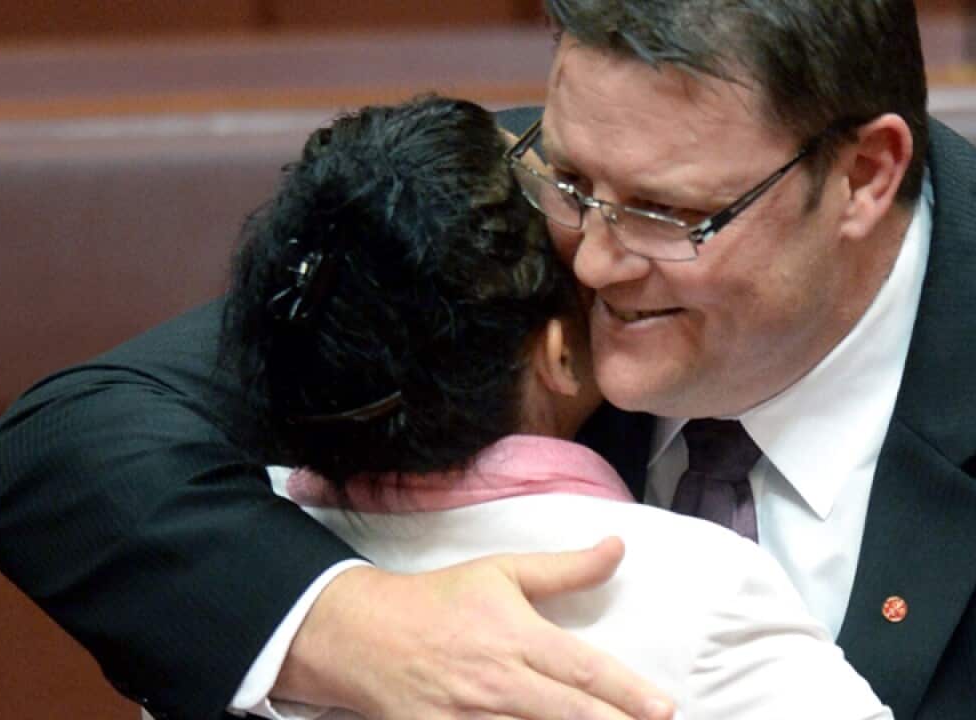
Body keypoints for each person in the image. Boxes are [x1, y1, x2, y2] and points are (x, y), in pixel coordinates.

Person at [0, 1, 976, 719]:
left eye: (666, 214)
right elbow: (69, 444)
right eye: (569, 175)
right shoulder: (503, 219)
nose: (589, 261)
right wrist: (345, 624)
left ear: (865, 174)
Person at [215, 93, 890, 720]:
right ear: (558, 355)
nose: (601, 260)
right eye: (569, 209)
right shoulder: (698, 597)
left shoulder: (229, 589)